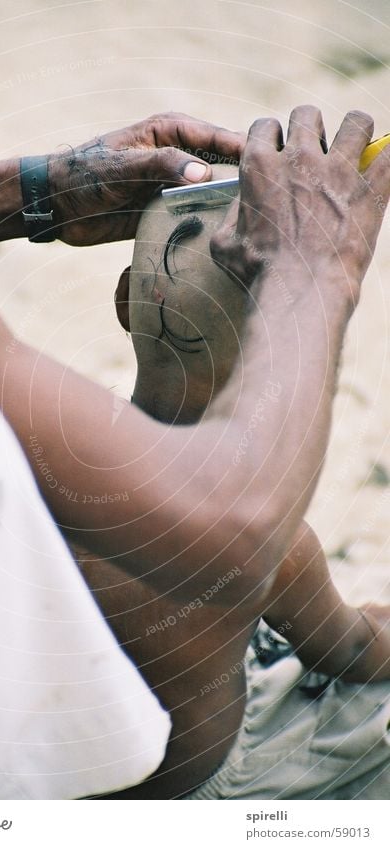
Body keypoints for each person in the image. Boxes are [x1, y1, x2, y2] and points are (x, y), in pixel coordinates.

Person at [0, 0, 390, 800]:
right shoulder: (242, 524)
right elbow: (262, 554)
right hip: (207, 781)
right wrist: (311, 274)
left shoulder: (67, 456)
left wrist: (40, 190)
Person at [72, 188, 390, 799]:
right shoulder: (268, 536)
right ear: (276, 349)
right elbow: (345, 650)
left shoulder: (60, 460)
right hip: (191, 791)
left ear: (122, 302)